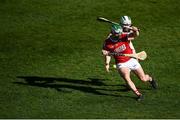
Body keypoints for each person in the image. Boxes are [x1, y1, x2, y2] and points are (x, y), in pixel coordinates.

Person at [102, 24, 157, 101]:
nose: (119, 35)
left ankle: (151, 79)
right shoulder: (107, 43)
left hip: (131, 59)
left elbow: (135, 35)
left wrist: (135, 30)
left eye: (120, 33)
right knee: (127, 78)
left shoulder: (124, 36)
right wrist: (107, 63)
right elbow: (107, 54)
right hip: (121, 64)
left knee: (143, 79)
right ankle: (139, 95)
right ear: (112, 33)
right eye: (117, 33)